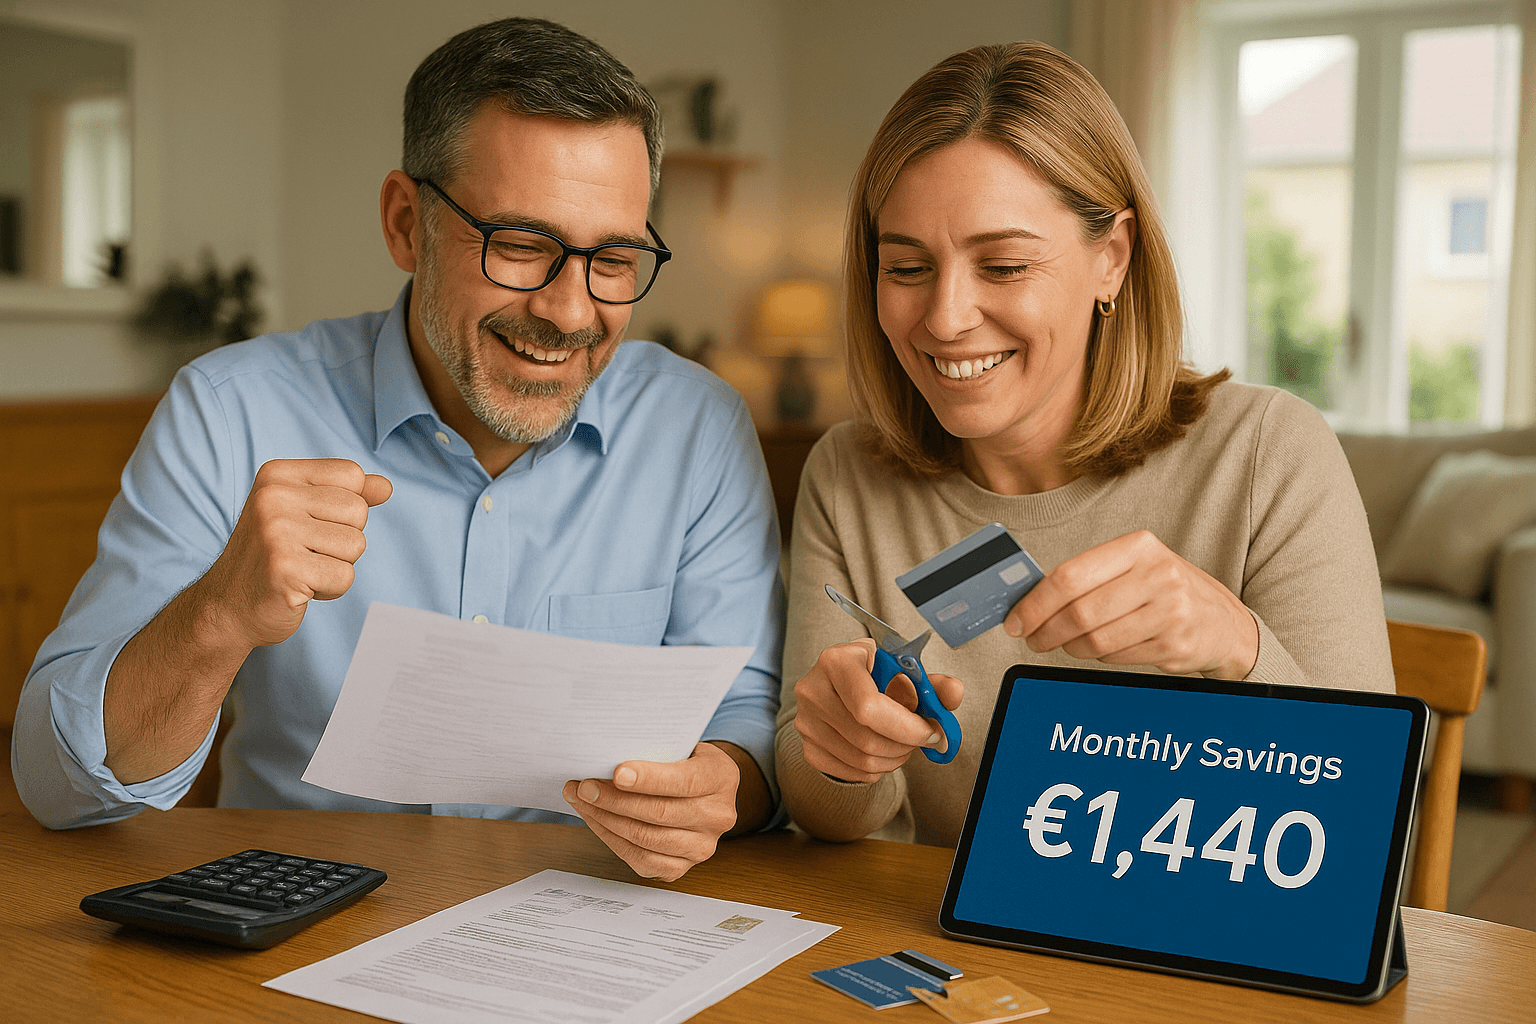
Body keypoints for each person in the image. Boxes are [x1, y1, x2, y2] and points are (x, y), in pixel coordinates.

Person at [13, 17, 782, 882]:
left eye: (613, 258)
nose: (571, 312)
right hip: (296, 936)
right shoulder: (230, 411)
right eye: (523, 245)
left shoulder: (698, 426)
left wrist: (724, 782)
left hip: (590, 927)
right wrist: (218, 615)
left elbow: (746, 711)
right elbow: (56, 785)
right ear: (405, 224)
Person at [776, 41, 1393, 848]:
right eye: (906, 268)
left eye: (1002, 266)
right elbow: (829, 817)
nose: (945, 317)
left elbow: (1372, 824)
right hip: (972, 950)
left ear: (1112, 257)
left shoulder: (1268, 454)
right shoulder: (848, 473)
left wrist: (1237, 647)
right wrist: (837, 755)